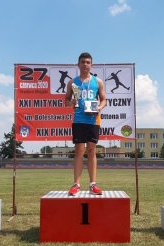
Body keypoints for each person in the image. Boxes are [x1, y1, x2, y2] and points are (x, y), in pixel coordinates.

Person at [65, 52, 106, 196]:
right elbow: (66, 100)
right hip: (78, 120)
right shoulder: (73, 82)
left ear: (91, 65)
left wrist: (99, 108)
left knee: (91, 151)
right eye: (83, 62)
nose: (85, 64)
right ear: (78, 64)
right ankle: (76, 184)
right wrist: (72, 102)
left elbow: (103, 100)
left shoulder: (97, 81)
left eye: (88, 62)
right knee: (79, 151)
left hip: (93, 120)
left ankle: (93, 184)